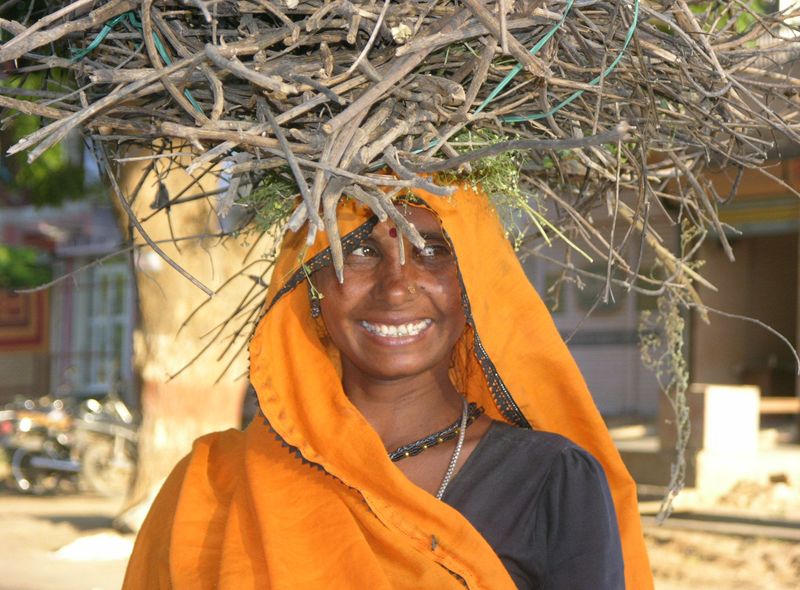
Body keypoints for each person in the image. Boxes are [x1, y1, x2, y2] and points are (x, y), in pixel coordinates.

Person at [123, 186, 653, 589]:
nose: (397, 286)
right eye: (357, 250)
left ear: (474, 284)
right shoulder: (216, 485)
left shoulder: (552, 480)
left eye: (432, 250)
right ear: (311, 286)